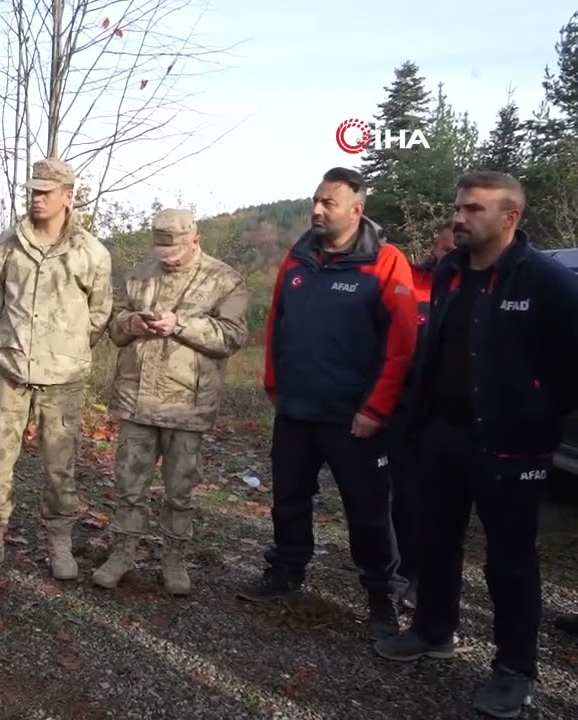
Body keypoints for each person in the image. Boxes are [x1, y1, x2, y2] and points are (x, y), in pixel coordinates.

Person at [374, 171, 578, 719]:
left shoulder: (546, 281)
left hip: (511, 447)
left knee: (509, 560)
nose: (460, 218)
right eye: (459, 207)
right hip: (441, 437)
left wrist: (536, 409)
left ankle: (515, 669)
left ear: (510, 217)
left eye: (475, 210)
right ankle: (434, 631)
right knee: (434, 540)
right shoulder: (450, 272)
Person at [237, 167, 418, 643]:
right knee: (288, 500)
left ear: (356, 210)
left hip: (355, 418)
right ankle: (286, 572)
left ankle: (381, 594)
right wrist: (274, 384)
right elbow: (278, 321)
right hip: (296, 411)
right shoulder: (297, 259)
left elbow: (402, 345)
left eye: (328, 203)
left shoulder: (385, 262)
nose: (316, 210)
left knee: (368, 511)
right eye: (315, 201)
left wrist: (375, 410)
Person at [0, 158, 113, 580]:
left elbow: (99, 315)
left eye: (46, 192)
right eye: (33, 191)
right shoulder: (5, 246)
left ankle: (60, 543)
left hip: (62, 379)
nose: (37, 198)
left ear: (69, 196)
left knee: (60, 466)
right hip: (8, 371)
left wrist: (65, 350)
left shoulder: (91, 253)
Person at [95, 208, 249, 594]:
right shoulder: (137, 275)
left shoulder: (224, 280)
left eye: (175, 251)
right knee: (129, 485)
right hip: (137, 400)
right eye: (161, 250)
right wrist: (131, 324)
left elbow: (231, 337)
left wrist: (179, 325)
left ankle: (174, 560)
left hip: (187, 406)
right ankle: (124, 552)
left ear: (195, 240)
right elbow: (113, 326)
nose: (168, 259)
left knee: (179, 492)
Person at [390, 221, 456, 611]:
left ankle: (427, 580)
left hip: (451, 414)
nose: (448, 256)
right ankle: (405, 570)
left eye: (455, 249)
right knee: (404, 495)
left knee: (440, 502)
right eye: (442, 249)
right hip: (404, 408)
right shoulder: (410, 281)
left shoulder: (480, 287)